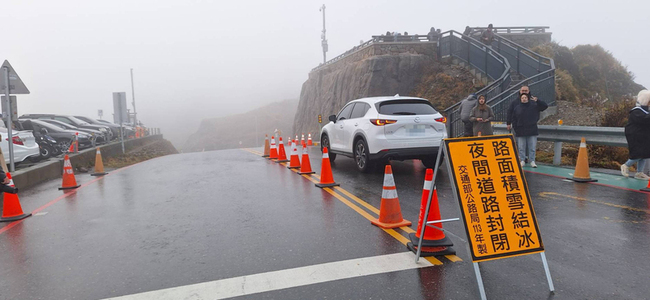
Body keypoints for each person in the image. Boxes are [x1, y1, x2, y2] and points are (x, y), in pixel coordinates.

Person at [509, 92, 548, 168]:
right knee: (521, 147)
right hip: (520, 130)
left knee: (532, 147)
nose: (524, 99)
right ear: (520, 99)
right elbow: (514, 119)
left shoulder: (534, 106)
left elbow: (545, 106)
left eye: (525, 98)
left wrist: (537, 101)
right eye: (522, 98)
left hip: (532, 129)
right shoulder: (517, 108)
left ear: (528, 99)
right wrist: (516, 128)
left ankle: (532, 160)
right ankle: (522, 160)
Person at [620, 90, 650, 180]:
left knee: (645, 153)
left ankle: (639, 173)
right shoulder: (636, 111)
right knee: (638, 153)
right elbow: (645, 120)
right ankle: (626, 165)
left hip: (644, 135)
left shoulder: (645, 111)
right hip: (635, 135)